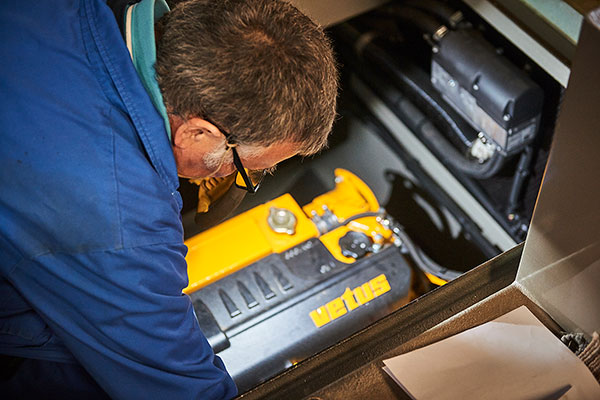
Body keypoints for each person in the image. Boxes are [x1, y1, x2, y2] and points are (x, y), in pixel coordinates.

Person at [0, 0, 338, 398]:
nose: (232, 177)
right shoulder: (121, 223)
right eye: (245, 168)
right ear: (196, 134)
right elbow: (178, 387)